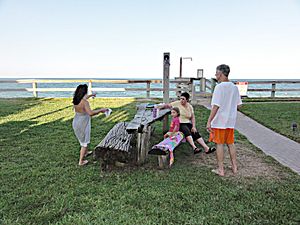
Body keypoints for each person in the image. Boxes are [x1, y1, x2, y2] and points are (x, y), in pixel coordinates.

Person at [206, 64, 242, 176]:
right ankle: (234, 167)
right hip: (230, 121)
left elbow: (216, 106)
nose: (215, 75)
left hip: (220, 121)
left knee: (220, 144)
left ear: (220, 74)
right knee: (231, 143)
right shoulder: (234, 87)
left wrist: (209, 121)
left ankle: (221, 169)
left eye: (216, 73)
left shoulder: (219, 87)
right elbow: (239, 105)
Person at [72, 84, 109, 166]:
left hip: (76, 122)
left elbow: (85, 98)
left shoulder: (76, 99)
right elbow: (91, 113)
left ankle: (86, 152)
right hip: (83, 123)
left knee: (83, 138)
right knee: (84, 142)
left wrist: (92, 95)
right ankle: (81, 161)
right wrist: (101, 110)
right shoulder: (85, 102)